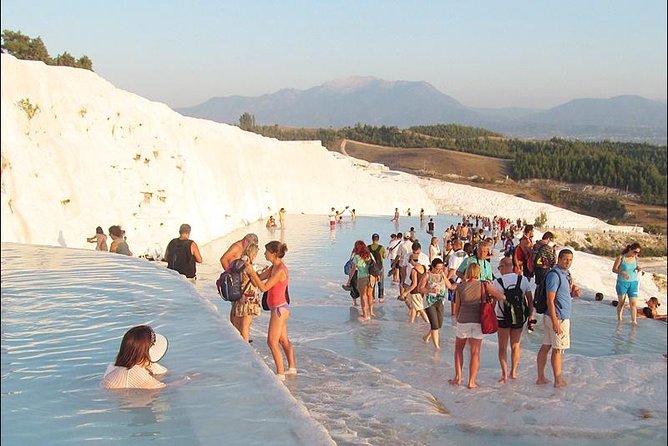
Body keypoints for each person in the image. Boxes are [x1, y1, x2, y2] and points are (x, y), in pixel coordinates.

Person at [245, 241, 296, 380]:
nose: (264, 253)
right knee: (283, 340)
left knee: (272, 342)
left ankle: (280, 374)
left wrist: (252, 273)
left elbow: (264, 287)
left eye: (266, 251)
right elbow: (258, 279)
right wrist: (250, 269)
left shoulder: (280, 270)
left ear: (273, 254)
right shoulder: (273, 267)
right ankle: (292, 368)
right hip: (279, 308)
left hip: (279, 309)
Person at [449, 263, 505, 389]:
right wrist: (490, 298)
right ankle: (471, 382)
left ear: (467, 272)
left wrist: (458, 319)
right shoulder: (484, 285)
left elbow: (457, 307)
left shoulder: (461, 286)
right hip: (478, 321)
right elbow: (502, 297)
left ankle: (457, 378)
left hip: (463, 320)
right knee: (475, 352)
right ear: (478, 272)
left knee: (458, 350)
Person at [536, 249, 581, 388]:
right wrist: (555, 320)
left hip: (555, 316)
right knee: (558, 349)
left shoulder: (565, 274)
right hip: (558, 317)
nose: (568, 262)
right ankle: (558, 380)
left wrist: (573, 292)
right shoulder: (554, 275)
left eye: (570, 260)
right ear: (559, 259)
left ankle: (541, 377)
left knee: (547, 346)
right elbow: (550, 299)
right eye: (565, 259)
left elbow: (563, 294)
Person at [493, 257, 533, 383]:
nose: (499, 270)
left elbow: (494, 302)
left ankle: (504, 375)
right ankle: (513, 372)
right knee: (516, 345)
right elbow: (529, 300)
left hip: (502, 317)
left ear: (504, 266)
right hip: (519, 318)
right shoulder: (522, 280)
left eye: (500, 267)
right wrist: (530, 315)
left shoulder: (497, 282)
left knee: (502, 347)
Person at [101, 325, 171, 389]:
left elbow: (162, 372)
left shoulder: (115, 365)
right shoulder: (134, 373)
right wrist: (182, 380)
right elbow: (163, 388)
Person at [220, 233, 259, 324]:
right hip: (235, 280)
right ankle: (235, 327)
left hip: (239, 280)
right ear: (246, 241)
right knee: (235, 306)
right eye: (251, 245)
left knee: (236, 306)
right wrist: (231, 275)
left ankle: (236, 327)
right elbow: (223, 259)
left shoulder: (243, 248)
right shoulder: (237, 247)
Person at [419, 258, 457, 350]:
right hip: (429, 302)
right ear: (432, 267)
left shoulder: (442, 274)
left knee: (438, 324)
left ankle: (426, 337)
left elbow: (449, 286)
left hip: (440, 301)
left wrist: (445, 275)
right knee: (435, 325)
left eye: (441, 268)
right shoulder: (427, 275)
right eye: (438, 268)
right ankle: (437, 347)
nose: (440, 270)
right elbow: (420, 288)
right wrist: (430, 290)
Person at [231, 243, 262, 342]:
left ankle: (237, 343)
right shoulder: (250, 266)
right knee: (245, 324)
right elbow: (255, 283)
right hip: (249, 297)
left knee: (237, 323)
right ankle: (245, 347)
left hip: (237, 295)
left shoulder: (236, 263)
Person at [612, 243, 642, 324]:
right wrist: (622, 273)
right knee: (621, 303)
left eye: (638, 253)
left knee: (633, 303)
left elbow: (634, 267)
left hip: (633, 283)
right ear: (630, 249)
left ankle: (634, 321)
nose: (636, 254)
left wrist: (638, 268)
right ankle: (619, 320)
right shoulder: (621, 257)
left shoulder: (635, 258)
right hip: (622, 283)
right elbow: (614, 269)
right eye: (635, 252)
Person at [345, 240, 376, 320]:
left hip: (362, 278)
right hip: (371, 277)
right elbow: (375, 265)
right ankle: (371, 312)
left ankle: (365, 315)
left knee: (363, 296)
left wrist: (349, 280)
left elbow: (353, 270)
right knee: (370, 295)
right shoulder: (369, 254)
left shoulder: (357, 257)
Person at [399, 253, 429, 324]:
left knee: (421, 309)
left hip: (415, 292)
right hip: (421, 291)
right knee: (414, 308)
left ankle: (429, 323)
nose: (410, 263)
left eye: (410, 261)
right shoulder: (424, 267)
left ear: (412, 260)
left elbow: (414, 284)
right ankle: (411, 323)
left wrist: (405, 292)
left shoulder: (414, 270)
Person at [368, 233, 386, 303]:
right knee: (381, 282)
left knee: (372, 282)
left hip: (371, 267)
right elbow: (384, 256)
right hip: (380, 267)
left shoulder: (368, 247)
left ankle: (372, 297)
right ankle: (381, 297)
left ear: (372, 239)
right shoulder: (381, 247)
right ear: (378, 239)